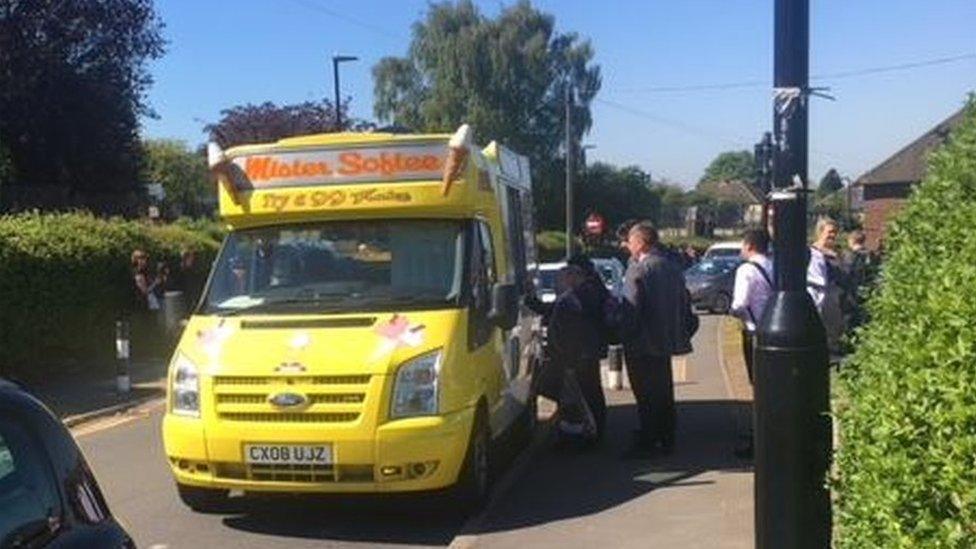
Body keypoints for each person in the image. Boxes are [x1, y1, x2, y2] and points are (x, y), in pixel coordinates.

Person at [622, 221, 690, 454]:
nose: (627, 246)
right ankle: (667, 437)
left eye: (630, 242)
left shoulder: (638, 270)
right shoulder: (672, 268)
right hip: (667, 340)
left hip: (641, 343)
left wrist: (623, 333)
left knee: (645, 395)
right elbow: (685, 303)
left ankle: (648, 440)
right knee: (663, 391)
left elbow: (631, 307)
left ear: (640, 243)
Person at [546, 265, 607, 442]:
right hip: (590, 352)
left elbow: (569, 333)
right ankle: (596, 430)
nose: (559, 283)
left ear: (572, 277)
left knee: (581, 397)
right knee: (593, 393)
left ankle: (585, 433)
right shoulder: (591, 293)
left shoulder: (570, 299)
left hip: (578, 356)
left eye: (562, 279)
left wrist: (569, 362)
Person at [728, 229, 773, 459]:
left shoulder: (746, 270)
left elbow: (740, 303)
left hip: (754, 333)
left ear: (749, 246)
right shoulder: (775, 267)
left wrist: (733, 312)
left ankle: (758, 439)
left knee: (758, 386)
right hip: (774, 331)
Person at [807, 218, 848, 358]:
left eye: (835, 232)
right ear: (820, 232)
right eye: (830, 232)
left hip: (838, 300)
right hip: (821, 300)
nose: (833, 235)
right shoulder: (812, 253)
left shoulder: (838, 254)